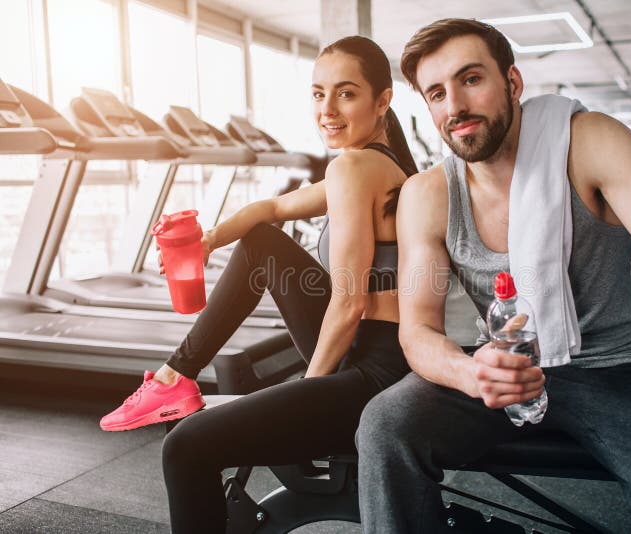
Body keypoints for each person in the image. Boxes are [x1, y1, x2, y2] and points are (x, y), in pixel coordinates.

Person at [356, 18, 631, 533]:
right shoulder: (428, 195)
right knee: (385, 424)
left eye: (471, 79)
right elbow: (418, 331)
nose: (454, 106)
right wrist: (471, 373)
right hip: (505, 365)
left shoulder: (587, 144)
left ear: (512, 84)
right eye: (436, 93)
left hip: (612, 371)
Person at [101, 35, 416, 533]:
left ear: (382, 101)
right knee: (262, 242)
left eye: (346, 93)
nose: (327, 109)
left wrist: (311, 390)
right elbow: (269, 211)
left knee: (185, 447)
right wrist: (207, 242)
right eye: (318, 94)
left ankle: (172, 378)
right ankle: (173, 378)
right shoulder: (367, 164)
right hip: (376, 351)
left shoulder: (356, 167)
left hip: (377, 370)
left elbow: (350, 301)